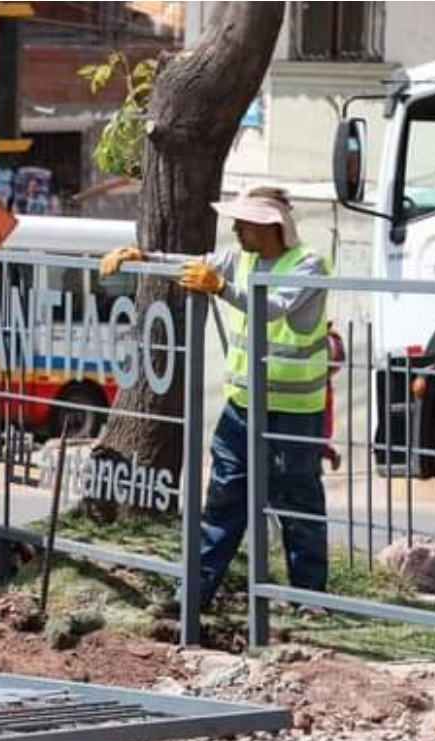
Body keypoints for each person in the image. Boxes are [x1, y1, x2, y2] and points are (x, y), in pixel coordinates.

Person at [100, 186, 331, 615]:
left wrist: (221, 288)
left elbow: (273, 307)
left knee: (298, 504)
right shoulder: (237, 258)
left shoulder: (309, 264)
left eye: (242, 222)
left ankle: (309, 601)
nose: (235, 228)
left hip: (293, 412)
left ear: (268, 225)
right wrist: (144, 257)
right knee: (223, 502)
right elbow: (193, 267)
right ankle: (192, 597)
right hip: (242, 406)